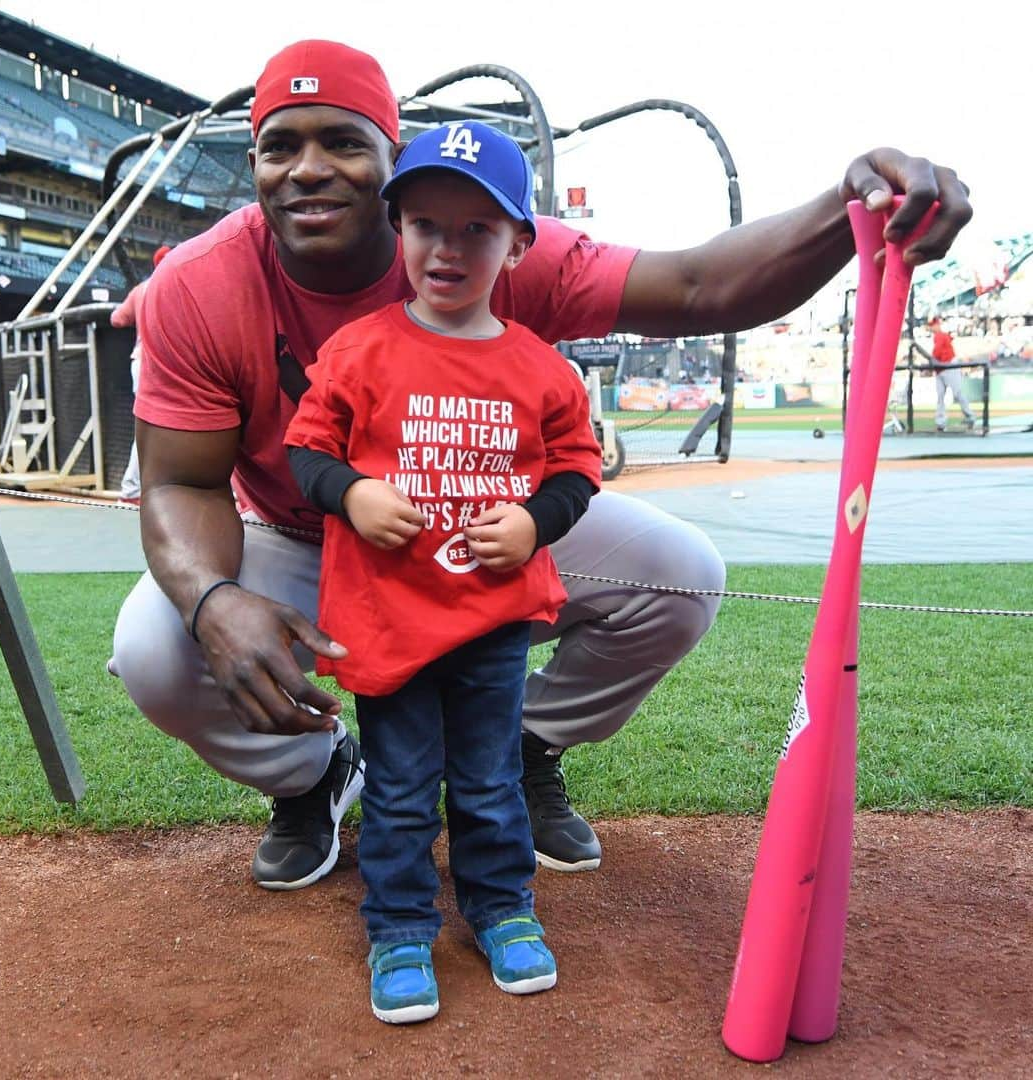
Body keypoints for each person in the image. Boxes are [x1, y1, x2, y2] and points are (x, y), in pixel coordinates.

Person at [110, 40, 972, 899]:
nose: (308, 168)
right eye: (280, 145)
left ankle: (517, 744)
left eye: (341, 141)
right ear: (254, 161)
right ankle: (313, 777)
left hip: (492, 527)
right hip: (313, 538)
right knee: (159, 644)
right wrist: (216, 602)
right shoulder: (202, 283)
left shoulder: (477, 242)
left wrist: (847, 208)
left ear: (390, 157)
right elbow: (181, 484)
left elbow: (700, 287)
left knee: (680, 575)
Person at [285, 120, 603, 1022]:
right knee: (397, 781)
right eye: (425, 224)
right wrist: (350, 495)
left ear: (517, 244)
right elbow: (307, 449)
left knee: (492, 775)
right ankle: (398, 925)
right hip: (389, 617)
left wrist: (534, 522)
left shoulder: (541, 368)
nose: (447, 247)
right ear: (398, 231)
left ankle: (503, 908)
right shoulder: (359, 349)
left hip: (492, 616)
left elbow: (578, 470)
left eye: (477, 229)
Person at [109, 245, 172, 502]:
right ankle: (134, 488)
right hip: (168, 364)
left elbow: (116, 319)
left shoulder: (141, 289)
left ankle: (133, 488)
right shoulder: (179, 280)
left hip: (142, 361)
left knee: (150, 426)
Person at [927, 316, 976, 431]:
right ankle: (940, 422)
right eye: (931, 325)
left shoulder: (941, 335)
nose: (932, 327)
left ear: (938, 325)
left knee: (957, 393)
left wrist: (931, 359)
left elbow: (937, 351)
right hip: (940, 368)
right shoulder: (938, 336)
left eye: (934, 325)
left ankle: (970, 416)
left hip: (949, 366)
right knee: (940, 396)